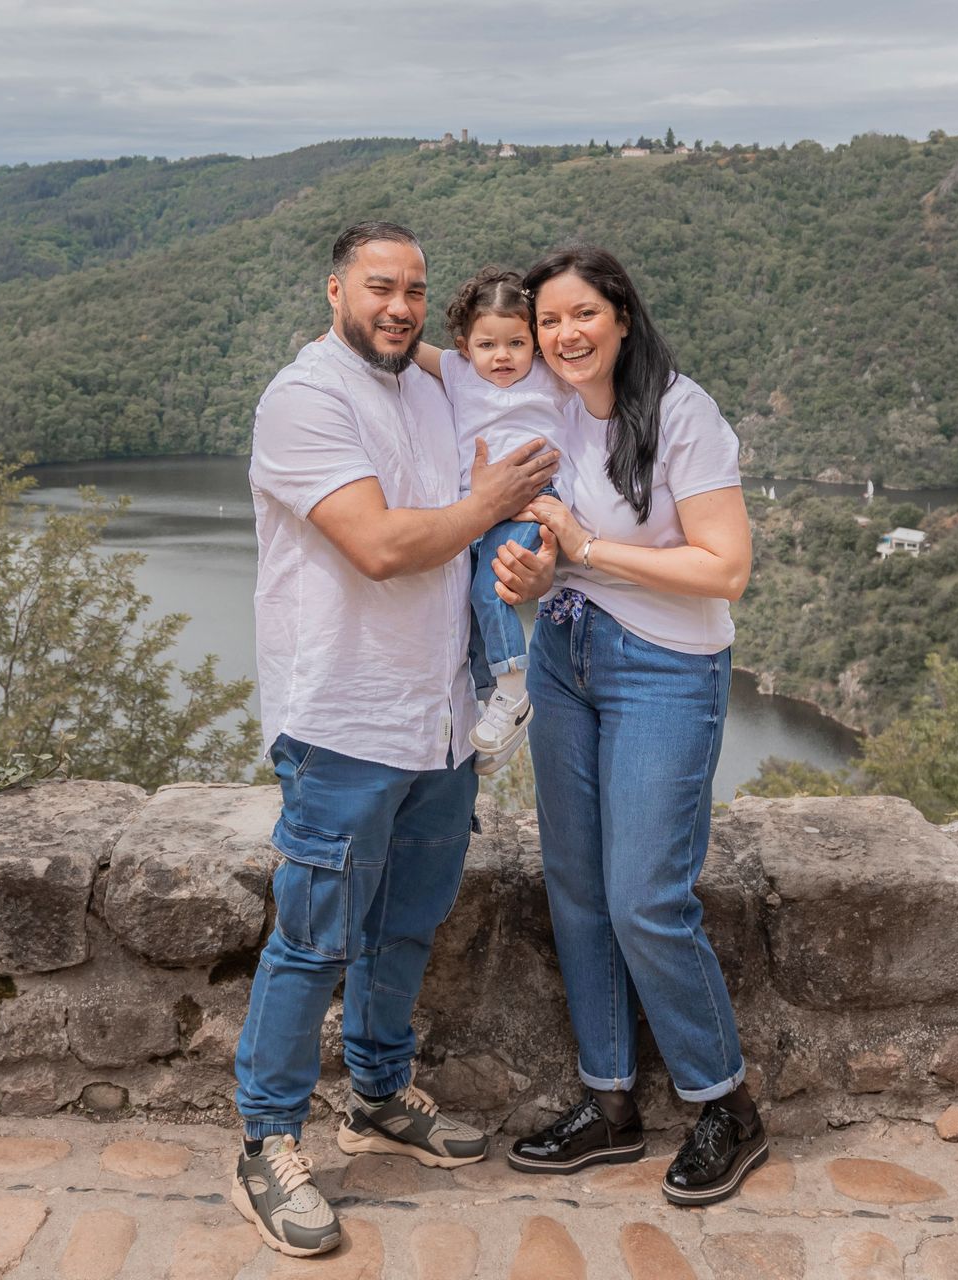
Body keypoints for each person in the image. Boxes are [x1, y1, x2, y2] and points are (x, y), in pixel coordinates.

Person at [235, 221, 558, 1257]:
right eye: (381, 286)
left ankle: (376, 1092)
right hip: (342, 716)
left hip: (437, 718)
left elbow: (486, 368)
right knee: (314, 934)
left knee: (405, 925)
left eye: (416, 289)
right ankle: (266, 1139)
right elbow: (377, 545)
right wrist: (491, 502)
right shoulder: (306, 399)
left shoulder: (424, 384)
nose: (401, 305)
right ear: (334, 289)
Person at [504, 244, 764, 1207]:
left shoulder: (683, 414)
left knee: (644, 896)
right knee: (575, 889)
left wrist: (589, 548)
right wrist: (540, 572)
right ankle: (608, 1104)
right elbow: (551, 551)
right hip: (564, 657)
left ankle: (727, 1105)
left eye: (583, 316)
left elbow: (723, 568)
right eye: (548, 322)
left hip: (665, 667)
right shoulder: (546, 409)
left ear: (620, 317)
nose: (564, 336)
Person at [411, 265, 573, 769]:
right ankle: (492, 709)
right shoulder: (459, 372)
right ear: (465, 346)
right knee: (471, 605)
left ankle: (512, 693)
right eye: (487, 345)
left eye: (516, 344)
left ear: (536, 345)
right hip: (475, 506)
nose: (502, 356)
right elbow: (412, 348)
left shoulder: (552, 377)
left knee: (491, 590)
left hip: (529, 500)